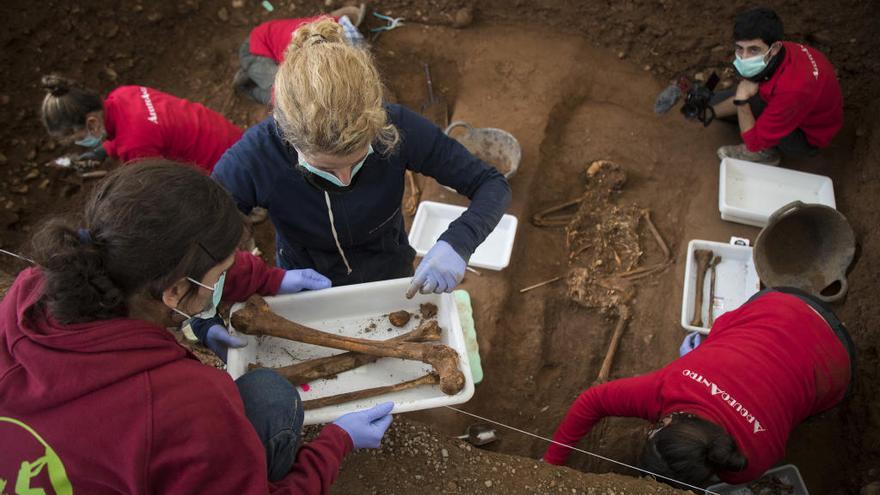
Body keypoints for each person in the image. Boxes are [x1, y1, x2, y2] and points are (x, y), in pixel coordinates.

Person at [0, 161, 394, 494]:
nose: (227, 275)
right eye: (222, 273)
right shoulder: (187, 404)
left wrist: (268, 280)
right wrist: (334, 445)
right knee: (270, 398)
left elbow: (182, 264)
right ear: (174, 290)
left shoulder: (34, 291)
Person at [213, 18, 511, 296]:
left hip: (389, 267)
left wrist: (459, 242)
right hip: (307, 283)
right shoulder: (256, 157)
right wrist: (207, 318)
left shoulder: (398, 125)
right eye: (324, 170)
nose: (344, 181)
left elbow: (491, 183)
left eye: (357, 163)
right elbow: (198, 246)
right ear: (288, 138)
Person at [544, 287, 854, 488]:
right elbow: (592, 401)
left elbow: (592, 400)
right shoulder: (670, 387)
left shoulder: (750, 463)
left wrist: (552, 463)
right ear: (668, 423)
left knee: (799, 404)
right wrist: (552, 462)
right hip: (788, 309)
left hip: (836, 361)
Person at [711, 8, 843, 166]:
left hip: (807, 136)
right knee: (714, 103)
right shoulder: (781, 50)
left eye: (753, 49)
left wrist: (741, 101)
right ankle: (715, 109)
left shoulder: (792, 89)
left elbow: (753, 143)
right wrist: (711, 112)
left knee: (750, 109)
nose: (744, 58)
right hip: (801, 105)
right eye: (740, 48)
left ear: (774, 48)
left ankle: (766, 153)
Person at [40, 75, 243, 173]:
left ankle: (250, 206)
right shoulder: (123, 94)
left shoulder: (135, 147)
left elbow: (159, 184)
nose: (80, 142)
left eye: (78, 138)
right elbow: (128, 129)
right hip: (233, 137)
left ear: (92, 123)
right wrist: (102, 151)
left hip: (229, 169)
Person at [233, 6, 366, 105]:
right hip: (254, 51)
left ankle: (254, 72)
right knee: (285, 99)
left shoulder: (329, 24)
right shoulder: (308, 55)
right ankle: (249, 87)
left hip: (263, 39)